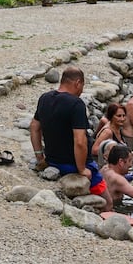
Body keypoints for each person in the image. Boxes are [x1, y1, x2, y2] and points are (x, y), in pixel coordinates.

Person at [29, 67, 106, 197]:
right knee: (108, 200)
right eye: (82, 86)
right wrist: (82, 169)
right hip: (72, 164)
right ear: (77, 83)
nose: (81, 91)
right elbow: (80, 141)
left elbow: (34, 127)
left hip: (52, 160)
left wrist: (39, 157)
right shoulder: (76, 104)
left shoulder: (45, 98)